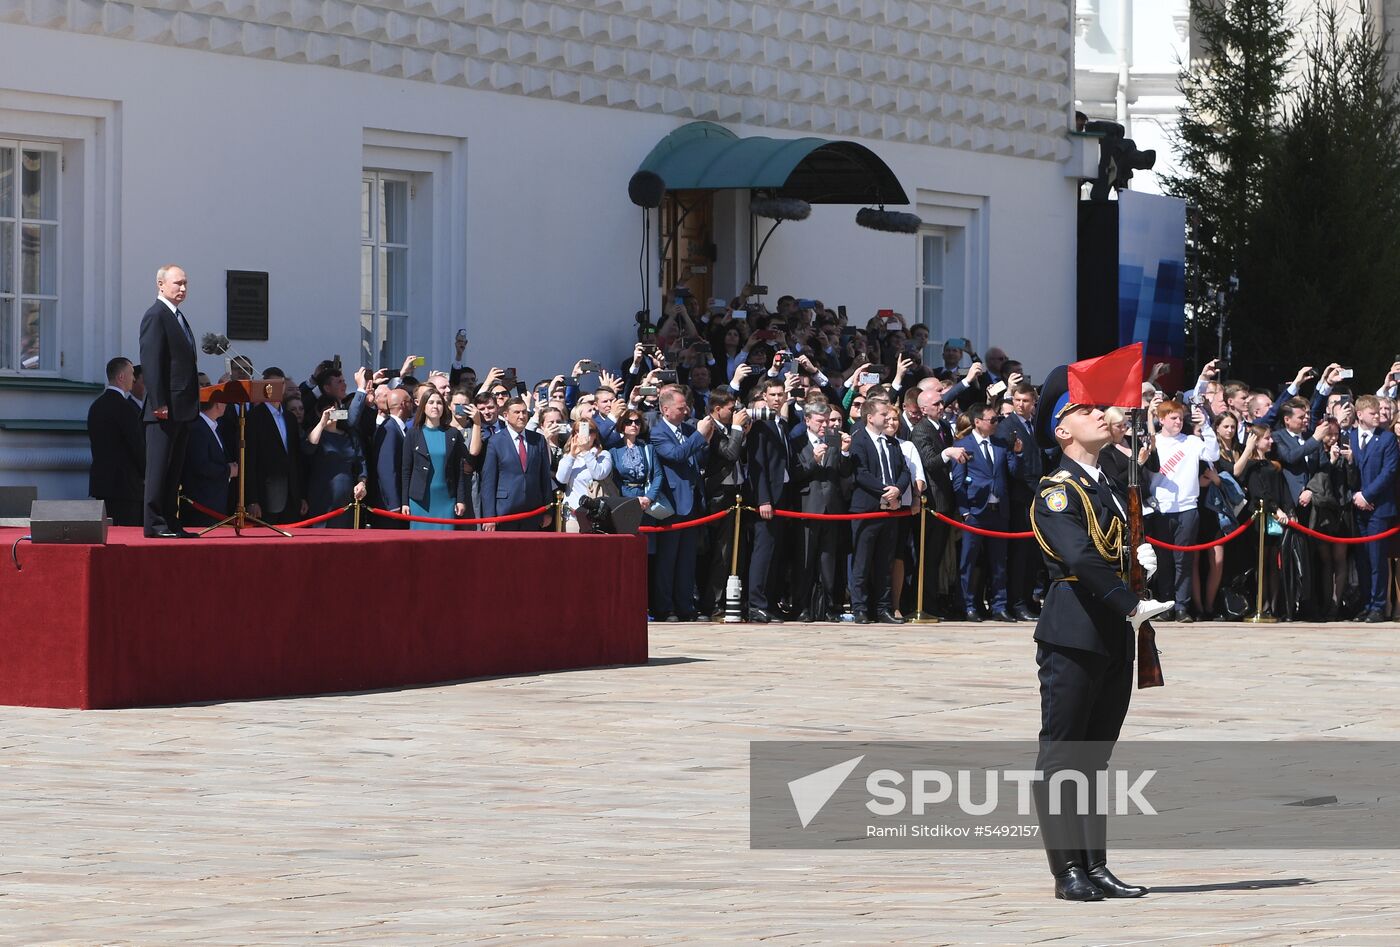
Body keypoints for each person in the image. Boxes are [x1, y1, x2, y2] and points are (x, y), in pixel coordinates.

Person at [1027, 390, 1170, 902]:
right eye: (1084, 410)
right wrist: (1128, 601)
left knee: (1095, 759)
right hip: (1075, 630)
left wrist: (1140, 557)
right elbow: (1081, 556)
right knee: (1063, 756)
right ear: (1061, 431)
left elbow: (1114, 545)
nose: (1098, 415)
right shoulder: (1058, 491)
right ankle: (1067, 872)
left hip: (1112, 634)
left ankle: (1096, 865)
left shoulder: (1107, 483)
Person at [138, 264, 200, 537]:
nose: (183, 288)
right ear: (161, 285)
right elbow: (151, 362)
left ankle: (170, 520)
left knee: (174, 471)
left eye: (185, 283)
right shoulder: (156, 315)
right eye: (177, 283)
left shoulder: (177, 316)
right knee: (159, 468)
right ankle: (154, 523)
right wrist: (159, 402)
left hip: (183, 408)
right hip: (164, 409)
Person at [649, 387, 713, 621]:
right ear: (665, 410)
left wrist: (703, 439)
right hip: (672, 503)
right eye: (680, 407)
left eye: (685, 405)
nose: (685, 409)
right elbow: (675, 455)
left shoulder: (687, 429)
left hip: (693, 501)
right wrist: (699, 436)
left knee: (687, 558)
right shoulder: (658, 433)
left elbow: (698, 457)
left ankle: (685, 605)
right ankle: (665, 607)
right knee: (668, 559)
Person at [952, 402, 1019, 622]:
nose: (996, 423)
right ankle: (968, 604)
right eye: (992, 420)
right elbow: (958, 482)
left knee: (999, 562)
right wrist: (964, 512)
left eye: (997, 419)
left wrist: (1016, 453)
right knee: (969, 562)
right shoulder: (964, 445)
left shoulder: (1000, 444)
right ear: (977, 422)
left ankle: (999, 606)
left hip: (998, 510)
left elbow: (1012, 472)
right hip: (975, 512)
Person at [847, 398, 909, 624]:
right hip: (867, 509)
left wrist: (898, 490)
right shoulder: (859, 441)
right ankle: (860, 608)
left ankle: (884, 608)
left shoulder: (891, 443)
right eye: (883, 414)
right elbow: (860, 473)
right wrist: (885, 490)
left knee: (886, 562)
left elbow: (904, 471)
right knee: (862, 562)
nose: (888, 418)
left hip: (890, 510)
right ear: (870, 417)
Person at [792, 399, 853, 621]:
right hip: (808, 507)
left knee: (828, 560)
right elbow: (795, 474)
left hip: (832, 507)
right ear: (807, 420)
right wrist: (814, 461)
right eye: (820, 421)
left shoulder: (834, 439)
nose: (825, 425)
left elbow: (845, 473)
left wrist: (845, 453)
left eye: (827, 421)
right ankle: (802, 606)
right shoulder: (798, 442)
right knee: (806, 560)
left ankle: (828, 606)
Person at [1347, 395, 1398, 621]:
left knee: (1377, 558)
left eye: (1379, 412)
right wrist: (1355, 496)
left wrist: (1367, 495)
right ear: (1360, 415)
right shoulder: (1350, 437)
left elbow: (1389, 471)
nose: (1378, 416)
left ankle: (1378, 605)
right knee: (1363, 559)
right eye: (1373, 413)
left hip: (1378, 506)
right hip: (1357, 507)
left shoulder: (1386, 439)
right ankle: (1366, 603)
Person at [479, 397, 554, 532]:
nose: (522, 416)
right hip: (505, 511)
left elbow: (544, 476)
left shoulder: (538, 439)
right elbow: (488, 482)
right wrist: (489, 516)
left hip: (533, 510)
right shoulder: (495, 442)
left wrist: (548, 510)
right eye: (517, 412)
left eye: (524, 412)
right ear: (506, 415)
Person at [87, 356, 145, 526]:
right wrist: (147, 472)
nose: (134, 379)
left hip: (102, 484)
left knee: (107, 534)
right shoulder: (125, 408)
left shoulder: (96, 406)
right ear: (121, 377)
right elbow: (137, 446)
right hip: (126, 486)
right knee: (127, 537)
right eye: (132, 374)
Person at [245, 371, 307, 526]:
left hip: (291, 494)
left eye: (281, 384)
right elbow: (249, 460)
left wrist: (301, 495)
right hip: (266, 494)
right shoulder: (254, 417)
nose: (277, 388)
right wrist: (252, 499)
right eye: (273, 385)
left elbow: (296, 458)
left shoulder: (290, 417)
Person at [401, 388, 468, 530]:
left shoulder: (452, 433)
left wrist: (460, 499)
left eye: (439, 403)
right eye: (431, 402)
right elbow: (406, 470)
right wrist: (404, 502)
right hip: (420, 500)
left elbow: (458, 470)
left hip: (446, 499)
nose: (435, 406)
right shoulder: (413, 434)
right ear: (423, 406)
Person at [304, 395, 368, 528]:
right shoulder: (316, 433)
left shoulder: (349, 435)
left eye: (336, 409)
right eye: (328, 410)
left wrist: (362, 483)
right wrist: (322, 423)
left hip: (346, 500)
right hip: (322, 498)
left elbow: (361, 463)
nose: (333, 413)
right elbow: (309, 447)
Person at [181, 394, 236, 527]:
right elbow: (201, 465)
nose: (226, 405)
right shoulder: (198, 428)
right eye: (224, 402)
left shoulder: (213, 427)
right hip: (202, 501)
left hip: (215, 500)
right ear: (217, 404)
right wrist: (229, 470)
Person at [556, 419, 613, 532]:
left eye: (590, 431)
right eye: (579, 431)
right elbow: (561, 479)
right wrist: (572, 455)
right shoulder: (568, 456)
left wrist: (586, 452)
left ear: (595, 435)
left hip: (597, 516)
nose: (585, 435)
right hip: (573, 515)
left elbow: (599, 474)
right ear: (574, 435)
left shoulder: (603, 455)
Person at [369, 387, 412, 529]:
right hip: (389, 506)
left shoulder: (399, 428)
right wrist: (393, 503)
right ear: (403, 405)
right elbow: (387, 468)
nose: (413, 405)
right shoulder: (389, 429)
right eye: (410, 401)